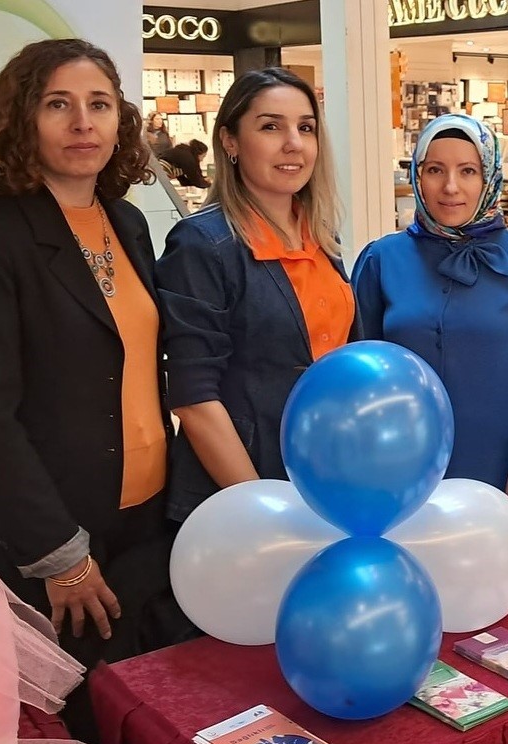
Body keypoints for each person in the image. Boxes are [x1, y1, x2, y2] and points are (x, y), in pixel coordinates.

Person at [0, 38, 186, 739]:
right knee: (65, 736)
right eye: (59, 105)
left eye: (99, 105)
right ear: (22, 121)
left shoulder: (129, 222)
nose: (83, 122)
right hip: (49, 536)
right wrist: (60, 555)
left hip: (142, 520)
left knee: (140, 717)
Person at [353, 113, 508, 538]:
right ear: (417, 176)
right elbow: (360, 372)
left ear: (489, 176)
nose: (450, 187)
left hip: (499, 470)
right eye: (435, 170)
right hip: (398, 471)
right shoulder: (382, 260)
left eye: (467, 171)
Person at [157, 68, 356, 524]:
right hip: (246, 493)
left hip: (327, 477)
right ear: (229, 141)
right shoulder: (202, 245)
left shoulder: (322, 239)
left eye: (305, 128)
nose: (294, 144)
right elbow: (193, 396)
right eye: (271, 127)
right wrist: (262, 510)